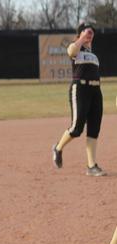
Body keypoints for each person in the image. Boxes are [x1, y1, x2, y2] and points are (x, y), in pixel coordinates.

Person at [52, 22, 105, 176]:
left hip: (96, 91)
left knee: (94, 129)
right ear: (80, 34)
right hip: (80, 89)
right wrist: (81, 38)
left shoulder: (93, 55)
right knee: (77, 128)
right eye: (86, 31)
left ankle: (91, 166)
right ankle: (58, 148)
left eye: (91, 32)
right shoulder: (76, 49)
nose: (89, 33)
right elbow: (70, 51)